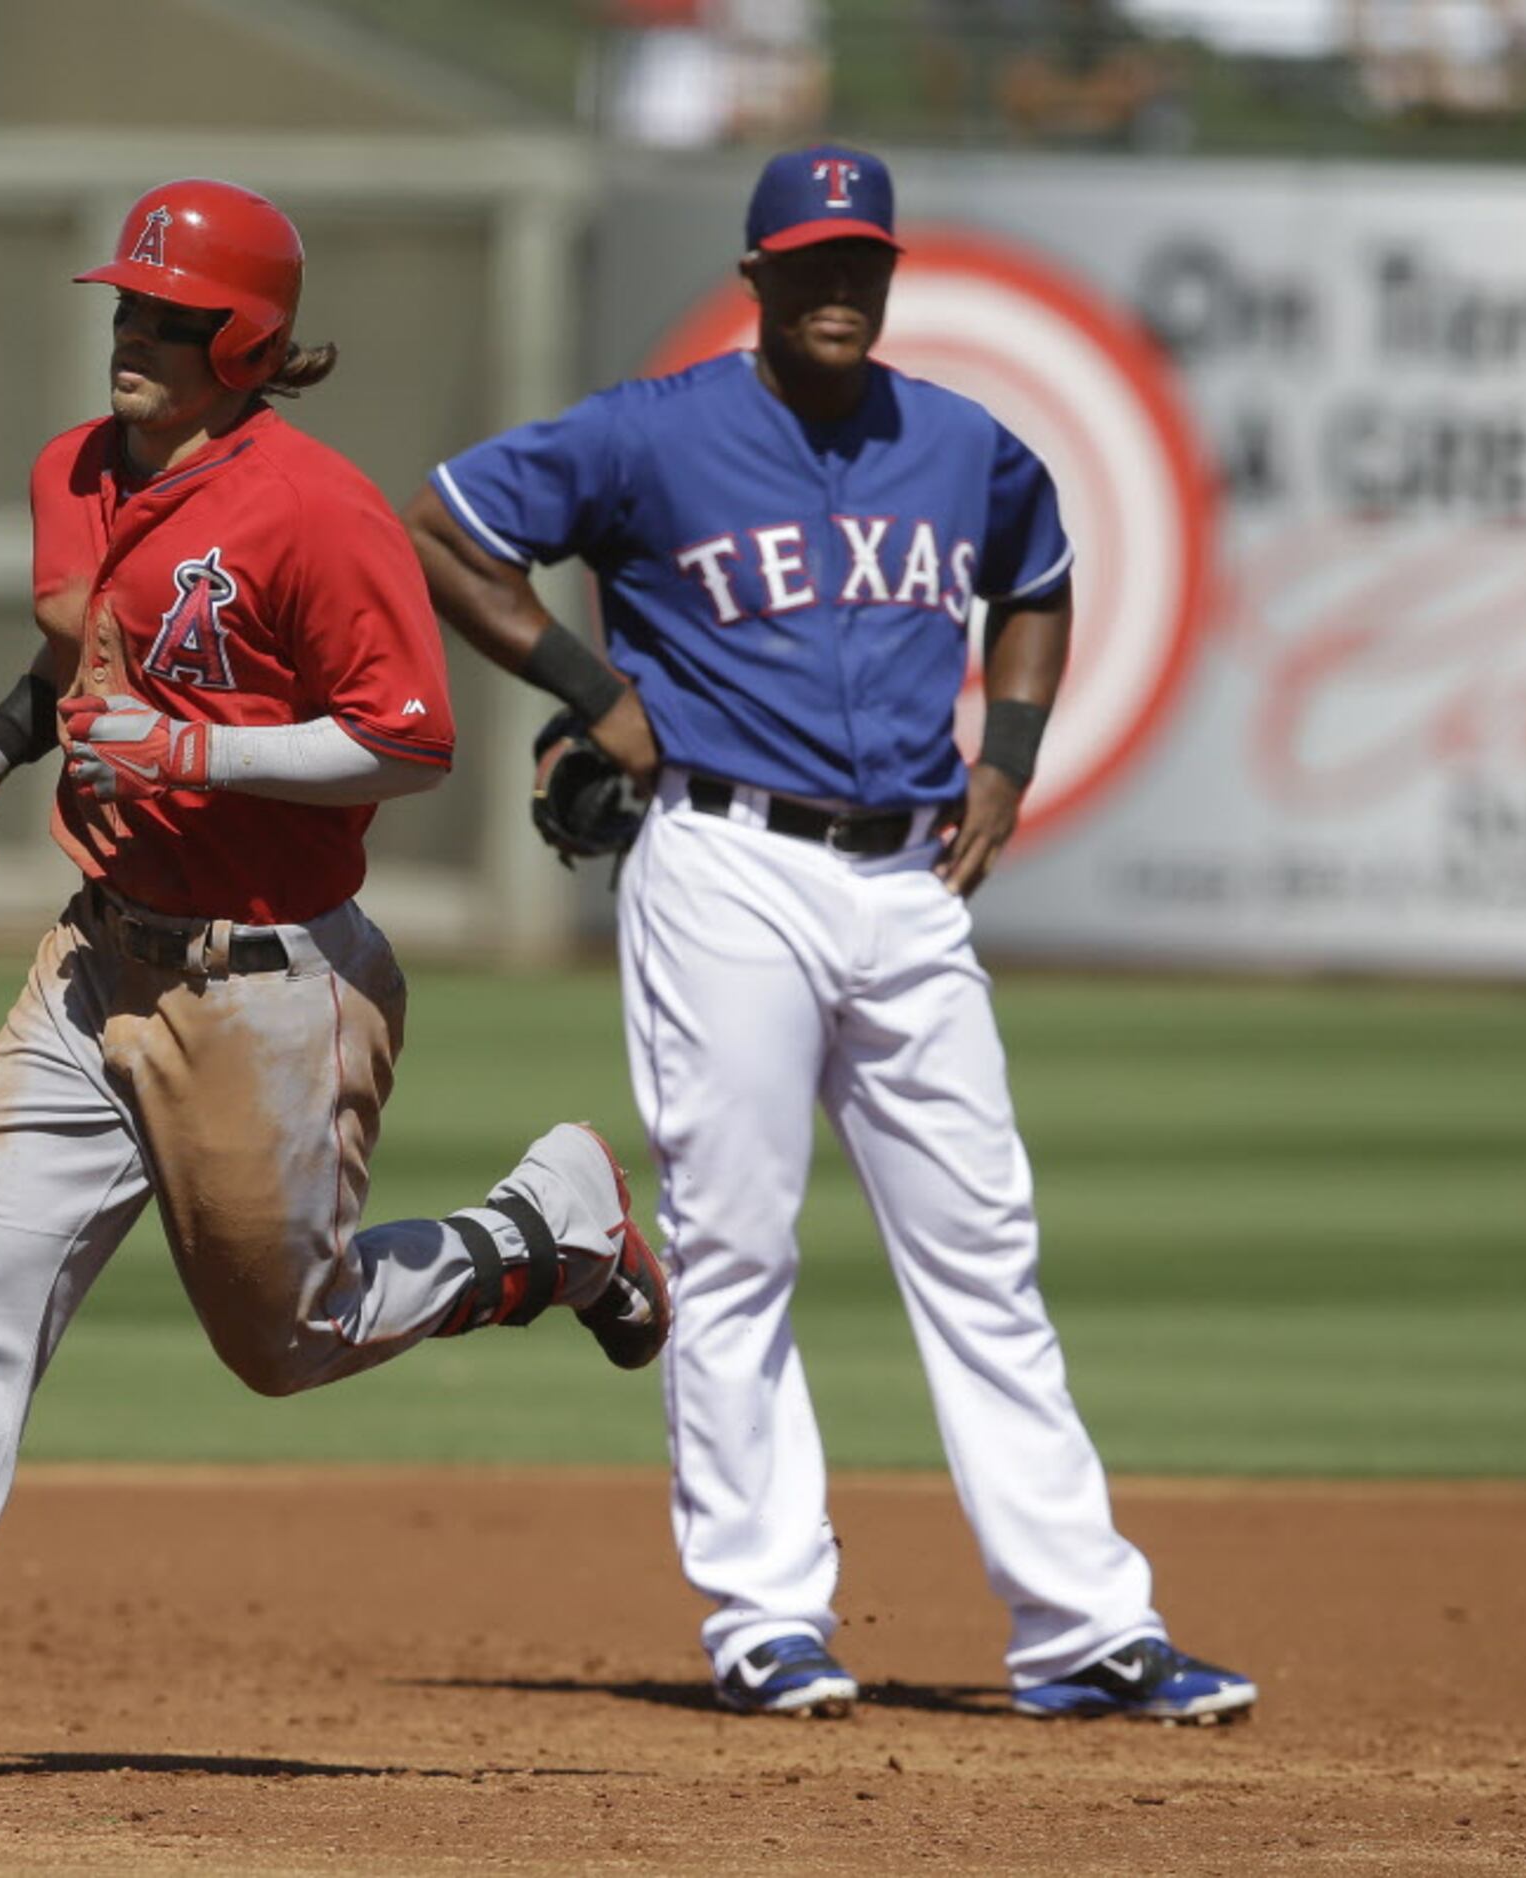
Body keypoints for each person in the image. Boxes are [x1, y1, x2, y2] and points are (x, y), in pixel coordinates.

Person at [0, 179, 671, 1778]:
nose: (130, 337)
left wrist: (199, 750)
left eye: (167, 316)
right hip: (96, 965)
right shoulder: (76, 473)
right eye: (125, 309)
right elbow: (85, 657)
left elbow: (412, 737)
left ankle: (548, 1228)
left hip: (268, 982)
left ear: (248, 340)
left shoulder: (320, 512)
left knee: (287, 1337)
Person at [403, 145, 1256, 1725]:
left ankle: (1083, 1627)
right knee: (734, 1241)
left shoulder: (958, 443)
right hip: (725, 861)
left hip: (908, 885)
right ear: (760, 280)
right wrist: (595, 695)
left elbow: (1043, 574)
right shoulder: (651, 435)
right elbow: (448, 526)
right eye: (811, 263)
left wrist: (1006, 755)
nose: (841, 287)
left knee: (984, 1253)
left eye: (863, 260)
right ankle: (766, 1614)